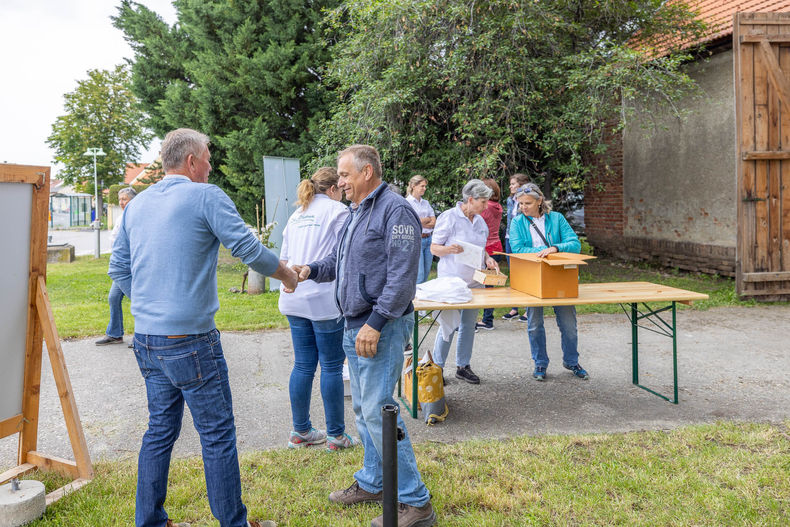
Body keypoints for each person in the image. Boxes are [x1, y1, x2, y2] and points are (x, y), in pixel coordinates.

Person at [109, 128, 297, 527]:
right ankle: (234, 523)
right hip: (191, 341)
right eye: (208, 160)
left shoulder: (136, 206)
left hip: (147, 340)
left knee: (159, 431)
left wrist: (147, 303)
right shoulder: (205, 196)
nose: (211, 168)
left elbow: (119, 269)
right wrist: (287, 275)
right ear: (192, 162)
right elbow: (247, 249)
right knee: (216, 435)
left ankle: (150, 521)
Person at [290, 145, 435, 527]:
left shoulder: (395, 210)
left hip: (378, 328)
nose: (340, 182)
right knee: (364, 412)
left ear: (367, 172)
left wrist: (376, 322)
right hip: (353, 323)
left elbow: (404, 278)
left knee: (378, 412)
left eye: (344, 175)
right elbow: (340, 263)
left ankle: (415, 502)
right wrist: (310, 270)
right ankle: (374, 481)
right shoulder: (357, 211)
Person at [278, 167, 357, 451]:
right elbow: (342, 257)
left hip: (293, 296)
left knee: (302, 364)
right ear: (334, 189)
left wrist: (289, 283)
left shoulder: (297, 214)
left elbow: (284, 259)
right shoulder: (338, 212)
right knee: (332, 366)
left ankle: (300, 431)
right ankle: (336, 435)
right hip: (322, 299)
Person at [509, 182, 589, 382]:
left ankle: (571, 361)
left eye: (527, 203)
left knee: (569, 324)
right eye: (520, 204)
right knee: (534, 324)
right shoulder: (518, 222)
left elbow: (575, 245)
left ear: (539, 201)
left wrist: (554, 248)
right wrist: (540, 254)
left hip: (560, 278)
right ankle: (540, 363)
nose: (523, 208)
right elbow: (517, 249)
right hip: (531, 280)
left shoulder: (557, 219)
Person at [430, 179, 499, 384]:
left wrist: (487, 258)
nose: (486, 206)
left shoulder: (480, 221)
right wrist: (449, 249)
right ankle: (437, 368)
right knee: (447, 326)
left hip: (474, 283)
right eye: (483, 202)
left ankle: (463, 366)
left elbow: (482, 248)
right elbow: (434, 248)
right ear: (470, 199)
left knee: (469, 326)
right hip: (452, 284)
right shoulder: (449, 217)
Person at [96, 186, 137, 346]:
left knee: (137, 299)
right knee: (113, 298)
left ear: (133, 200)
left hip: (128, 266)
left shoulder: (134, 215)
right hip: (120, 263)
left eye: (124, 199)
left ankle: (143, 336)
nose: (121, 202)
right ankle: (115, 334)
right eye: (120, 199)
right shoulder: (122, 216)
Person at [502, 173, 531, 321]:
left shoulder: (527, 200)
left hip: (523, 241)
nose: (510, 186)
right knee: (513, 273)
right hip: (509, 239)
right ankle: (515, 307)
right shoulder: (510, 200)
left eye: (513, 184)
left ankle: (528, 309)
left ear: (521, 185)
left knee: (525, 273)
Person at [475, 178, 503, 331]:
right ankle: (488, 319)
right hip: (496, 245)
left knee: (480, 286)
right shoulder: (497, 206)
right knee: (489, 286)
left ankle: (483, 320)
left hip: (486, 249)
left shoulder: (486, 207)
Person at [405, 175, 436, 285]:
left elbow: (433, 222)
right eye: (422, 186)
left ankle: (422, 299)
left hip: (428, 240)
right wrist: (426, 220)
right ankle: (415, 300)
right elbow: (410, 222)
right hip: (415, 239)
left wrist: (420, 221)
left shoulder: (426, 203)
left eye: (425, 186)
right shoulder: (407, 203)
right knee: (419, 275)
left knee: (426, 273)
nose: (424, 188)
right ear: (413, 186)